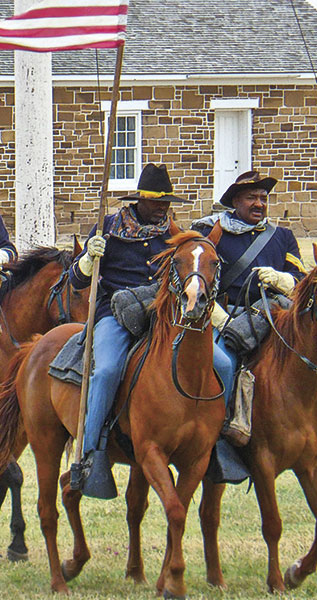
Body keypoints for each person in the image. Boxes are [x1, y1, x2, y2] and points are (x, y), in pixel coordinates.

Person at [69, 164, 191, 495]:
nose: (162, 207)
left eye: (166, 201)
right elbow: (76, 281)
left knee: (213, 362)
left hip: (163, 318)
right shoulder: (108, 229)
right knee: (107, 371)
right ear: (139, 200)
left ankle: (212, 439)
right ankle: (90, 453)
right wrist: (87, 259)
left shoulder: (176, 235)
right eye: (156, 201)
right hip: (115, 314)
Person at [192, 170, 305, 445]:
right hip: (227, 320)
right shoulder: (209, 232)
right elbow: (196, 277)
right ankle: (221, 432)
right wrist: (215, 314)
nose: (259, 204)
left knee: (312, 365)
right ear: (236, 202)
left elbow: (301, 282)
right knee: (225, 365)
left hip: (275, 319)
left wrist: (283, 279)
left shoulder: (282, 236)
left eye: (263, 198)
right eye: (251, 197)